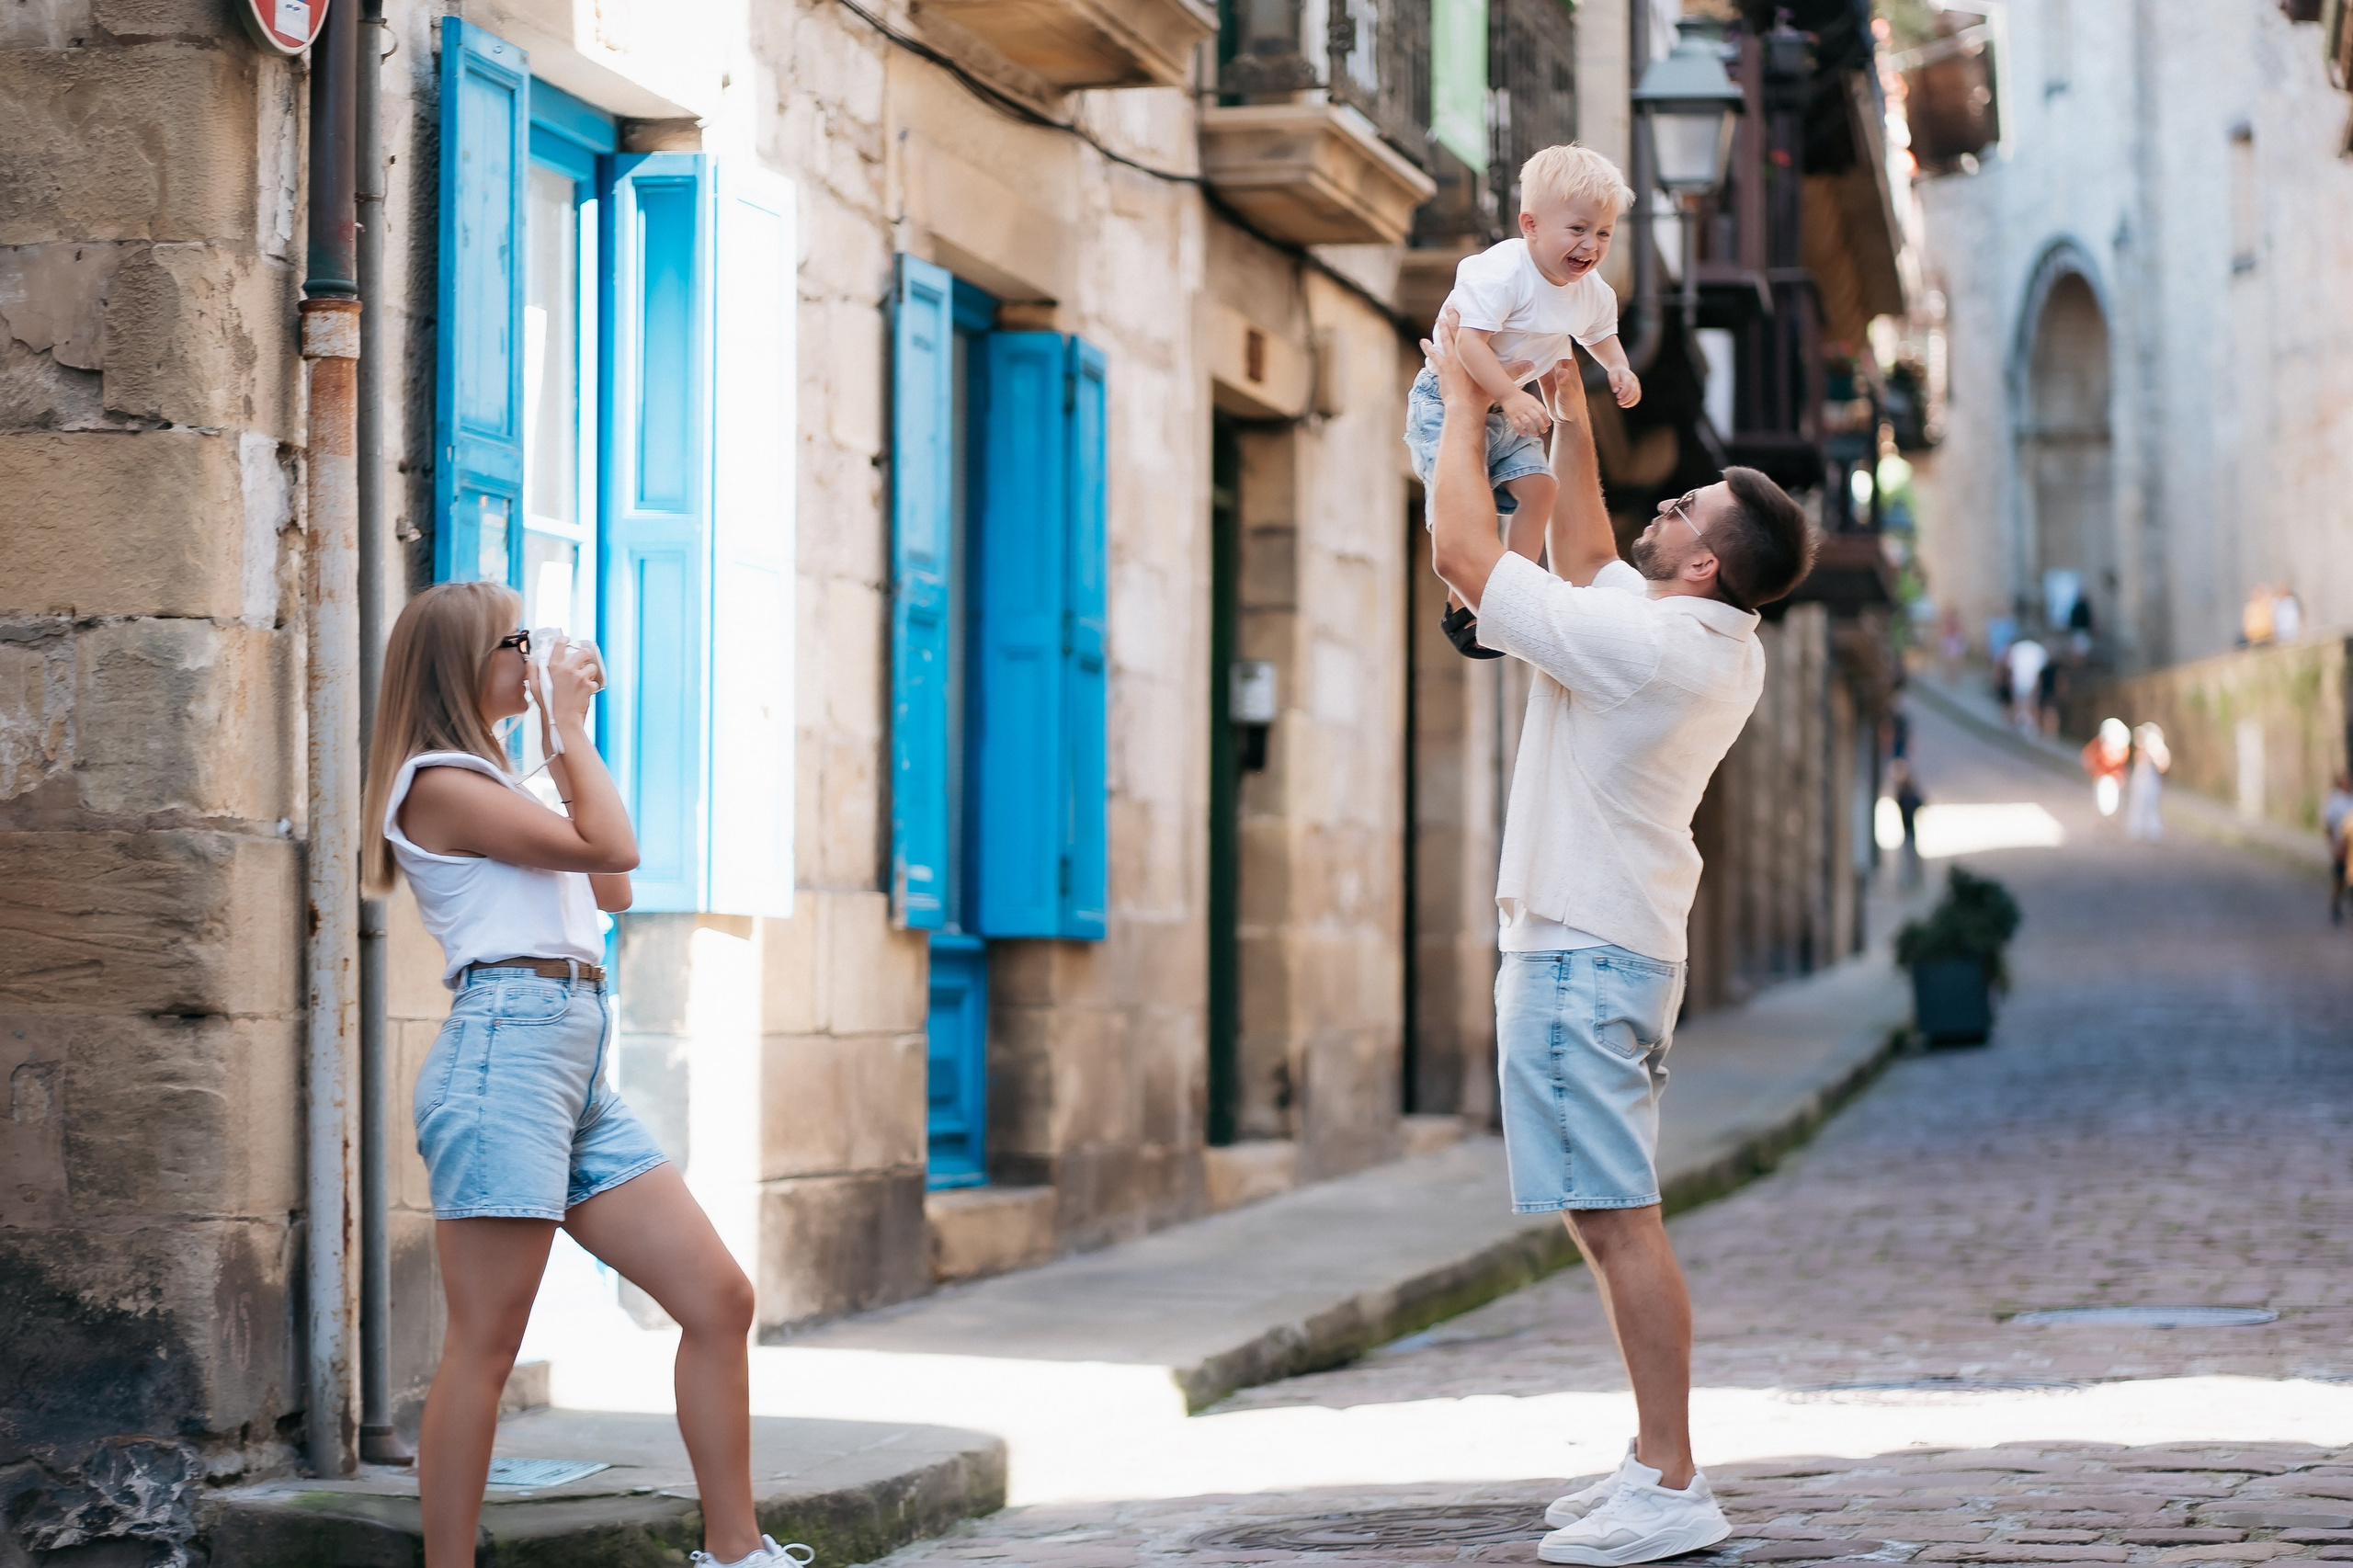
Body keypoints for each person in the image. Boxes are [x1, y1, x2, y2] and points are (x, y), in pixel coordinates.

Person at [1423, 306, 1816, 1565]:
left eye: (1689, 508)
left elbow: (1464, 557)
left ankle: (1675, 1480)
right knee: (1610, 1211)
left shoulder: (1645, 647)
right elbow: (1591, 543)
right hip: (1612, 946)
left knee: (1615, 1216)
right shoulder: (1699, 637)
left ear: (1703, 565)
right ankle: (1655, 1460)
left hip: (1583, 949)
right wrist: (1573, 400)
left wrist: (1464, 398)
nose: (1670, 506)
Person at [358, 582, 810, 1568]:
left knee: (717, 1298)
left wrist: (565, 741)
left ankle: (737, 1551)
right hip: (505, 1053)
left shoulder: (506, 783)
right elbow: (616, 844)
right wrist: (564, 720)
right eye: (518, 640)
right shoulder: (437, 781)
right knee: (487, 1342)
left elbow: (612, 883)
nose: (539, 651)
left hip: (569, 1053)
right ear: (467, 661)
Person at [1406, 144, 1641, 659]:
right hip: (1447, 399)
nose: (1591, 245)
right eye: (1577, 229)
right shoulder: (1501, 272)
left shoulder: (1591, 291)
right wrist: (1511, 396)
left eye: (1603, 232)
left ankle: (1512, 589)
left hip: (1505, 404)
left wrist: (1618, 366)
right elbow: (1468, 344)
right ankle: (1464, 600)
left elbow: (1599, 333)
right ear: (1530, 224)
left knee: (1541, 490)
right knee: (1467, 503)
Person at [2127, 721, 2171, 843]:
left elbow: (2164, 766)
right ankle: (2136, 830)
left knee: (2152, 806)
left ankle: (2153, 831)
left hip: (2152, 782)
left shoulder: (2160, 750)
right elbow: (2138, 761)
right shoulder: (2141, 750)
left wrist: (2155, 757)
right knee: (2137, 804)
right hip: (2140, 781)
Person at [2081, 717, 2130, 818]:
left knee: (2114, 805)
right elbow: (2088, 758)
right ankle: (2101, 822)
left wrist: (2120, 776)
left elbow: (2120, 764)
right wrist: (2095, 771)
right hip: (2102, 777)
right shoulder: (2097, 746)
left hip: (2114, 779)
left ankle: (2111, 823)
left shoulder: (2122, 749)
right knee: (2101, 804)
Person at [2005, 635, 2048, 736]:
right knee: (2030, 705)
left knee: (2020, 704)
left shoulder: (2017, 648)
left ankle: (2016, 727)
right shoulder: (2039, 650)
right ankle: (2030, 729)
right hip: (2030, 682)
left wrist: (2010, 681)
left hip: (2019, 681)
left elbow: (2009, 667)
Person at [2325, 771, 2353, 925]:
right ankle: (2335, 905)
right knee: (2340, 878)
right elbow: (2328, 825)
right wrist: (2334, 846)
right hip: (2341, 846)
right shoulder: (2334, 801)